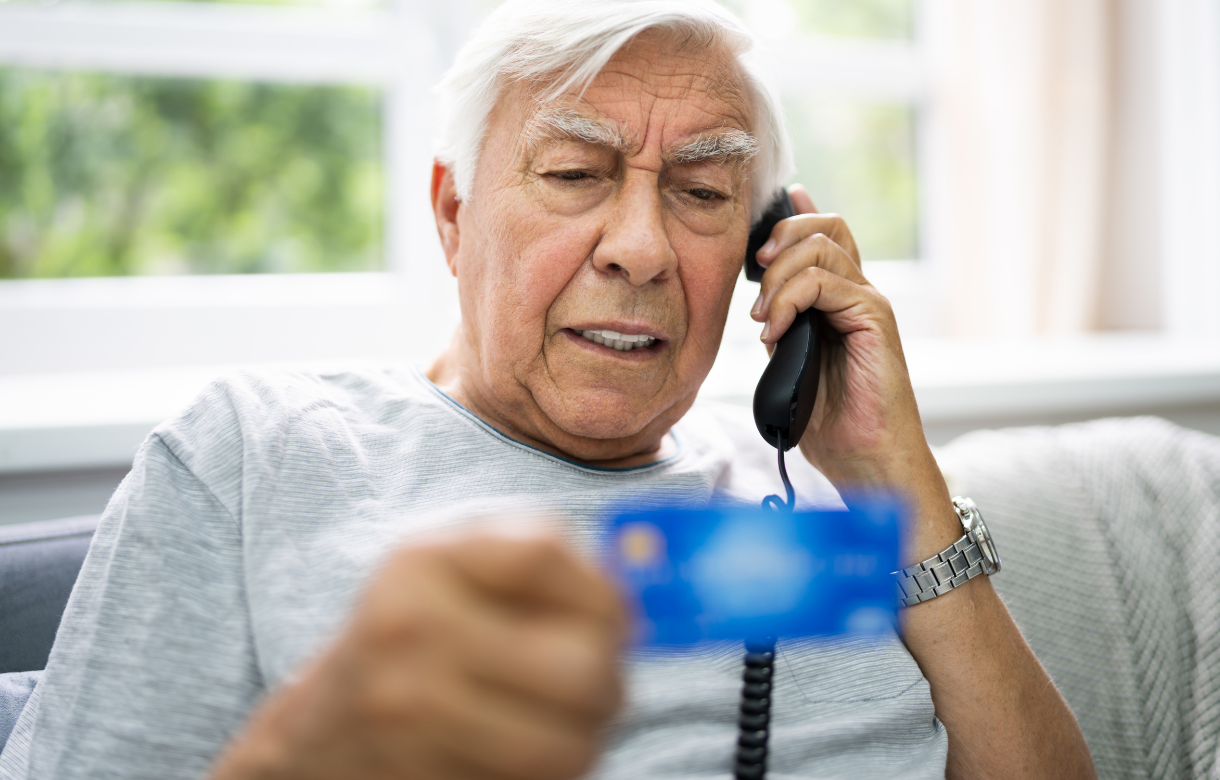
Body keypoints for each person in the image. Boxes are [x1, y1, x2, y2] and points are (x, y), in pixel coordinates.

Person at [0, 1, 1096, 778]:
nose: (639, 247)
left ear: (765, 247)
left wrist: (897, 482)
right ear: (452, 213)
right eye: (573, 175)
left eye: (701, 192)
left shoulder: (820, 514)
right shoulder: (254, 451)